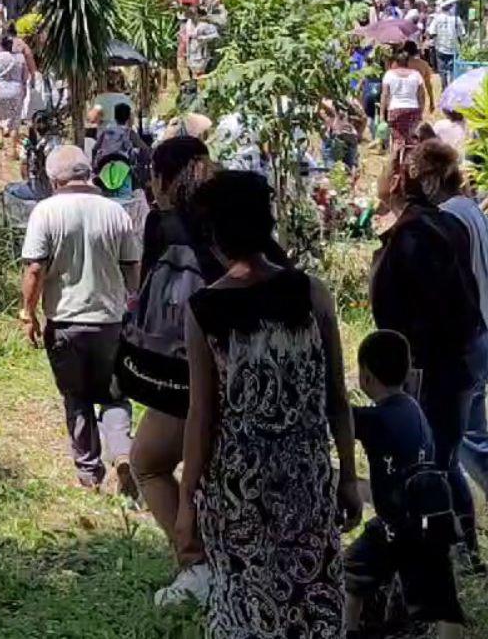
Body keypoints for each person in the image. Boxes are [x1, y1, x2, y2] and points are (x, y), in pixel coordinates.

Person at [180, 171, 360, 639]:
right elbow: (336, 398)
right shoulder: (310, 293)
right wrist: (346, 475)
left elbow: (202, 418)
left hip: (239, 491)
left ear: (215, 234)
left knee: (243, 606)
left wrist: (185, 501)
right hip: (307, 481)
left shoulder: (203, 309)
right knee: (312, 604)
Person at [374, 139, 486, 566]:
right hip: (451, 360)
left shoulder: (414, 235)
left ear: (402, 181)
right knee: (444, 456)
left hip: (434, 365)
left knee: (435, 460)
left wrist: (413, 370)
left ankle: (450, 553)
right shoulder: (439, 224)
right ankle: (460, 550)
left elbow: (425, 311)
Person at [123, 137, 215, 607]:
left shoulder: (163, 224)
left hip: (183, 373)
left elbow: (145, 296)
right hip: (248, 370)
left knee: (147, 463)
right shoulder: (227, 217)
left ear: (160, 179)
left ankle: (196, 563)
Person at [20, 145, 140, 492]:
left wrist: (28, 313)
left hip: (65, 323)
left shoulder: (46, 212)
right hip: (111, 323)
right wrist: (133, 308)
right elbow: (132, 268)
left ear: (54, 178)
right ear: (89, 174)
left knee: (77, 397)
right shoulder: (116, 212)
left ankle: (89, 475)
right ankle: (122, 453)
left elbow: (35, 268)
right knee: (115, 395)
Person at [345, 330, 464, 639]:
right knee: (443, 603)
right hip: (432, 517)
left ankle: (350, 630)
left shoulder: (376, 419)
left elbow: (341, 417)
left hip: (398, 527)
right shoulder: (414, 408)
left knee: (350, 574)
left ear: (366, 377)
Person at [0, 32, 27, 164]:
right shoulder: (20, 58)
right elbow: (25, 77)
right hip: (15, 90)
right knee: (14, 121)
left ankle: (2, 143)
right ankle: (13, 151)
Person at [381, 48, 425, 156]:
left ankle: (395, 166)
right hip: (412, 109)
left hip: (395, 109)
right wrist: (421, 111)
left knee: (397, 140)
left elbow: (385, 95)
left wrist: (382, 114)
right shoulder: (416, 75)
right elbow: (421, 96)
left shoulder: (389, 74)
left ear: (396, 62)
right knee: (411, 140)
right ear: (408, 62)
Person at [428, 4, 466, 88]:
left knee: (442, 71)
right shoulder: (456, 18)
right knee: (453, 70)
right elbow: (462, 34)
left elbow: (431, 32)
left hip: (440, 48)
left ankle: (444, 88)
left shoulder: (437, 18)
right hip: (454, 48)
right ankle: (452, 87)